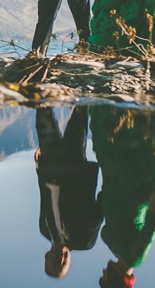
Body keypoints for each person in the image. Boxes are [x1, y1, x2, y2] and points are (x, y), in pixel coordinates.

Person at [90, 106, 155, 288]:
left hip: (116, 187)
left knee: (109, 145)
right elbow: (151, 228)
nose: (103, 272)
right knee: (127, 150)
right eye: (105, 277)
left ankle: (120, 109)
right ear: (116, 279)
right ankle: (135, 110)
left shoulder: (120, 253)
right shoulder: (135, 258)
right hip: (130, 194)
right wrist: (153, 199)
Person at [34, 106, 103, 279]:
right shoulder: (84, 241)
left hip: (50, 164)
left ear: (47, 256)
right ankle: (84, 84)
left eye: (55, 261)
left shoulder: (44, 228)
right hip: (74, 165)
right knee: (79, 117)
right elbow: (101, 207)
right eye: (63, 263)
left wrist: (38, 168)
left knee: (43, 114)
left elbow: (44, 197)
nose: (61, 257)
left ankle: (43, 87)